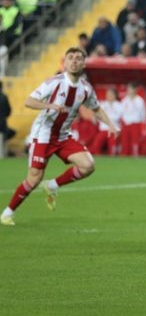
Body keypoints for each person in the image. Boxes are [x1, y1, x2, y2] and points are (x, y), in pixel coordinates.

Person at [1, 47, 119, 226]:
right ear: (65, 62)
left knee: (88, 165)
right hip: (43, 135)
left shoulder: (86, 89)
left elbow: (96, 108)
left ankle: (52, 186)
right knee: (34, 178)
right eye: (70, 58)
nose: (74, 61)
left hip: (63, 136)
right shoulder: (54, 83)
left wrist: (110, 125)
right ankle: (7, 213)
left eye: (78, 58)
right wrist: (50, 106)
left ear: (84, 64)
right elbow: (29, 101)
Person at [88, 88, 122, 155]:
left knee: (113, 148)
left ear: (114, 95)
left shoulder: (119, 105)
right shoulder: (103, 104)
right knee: (96, 146)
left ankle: (113, 158)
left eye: (110, 94)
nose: (108, 96)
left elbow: (117, 117)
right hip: (103, 129)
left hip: (113, 129)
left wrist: (104, 118)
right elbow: (96, 114)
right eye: (107, 94)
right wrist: (95, 117)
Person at [120, 82, 146, 156]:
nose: (128, 91)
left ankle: (135, 155)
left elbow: (143, 113)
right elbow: (122, 112)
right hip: (126, 124)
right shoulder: (125, 100)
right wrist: (124, 121)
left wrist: (138, 122)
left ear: (135, 90)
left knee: (135, 141)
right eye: (128, 89)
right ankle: (125, 155)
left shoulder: (139, 100)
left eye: (130, 89)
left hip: (135, 124)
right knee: (125, 141)